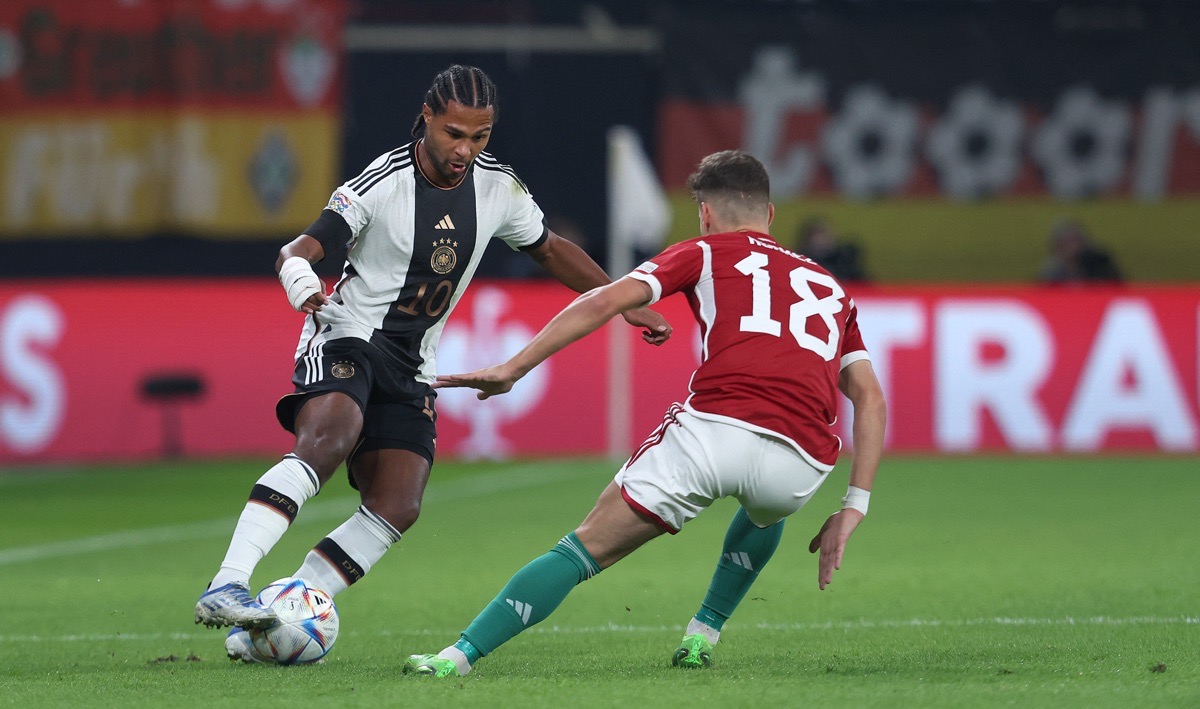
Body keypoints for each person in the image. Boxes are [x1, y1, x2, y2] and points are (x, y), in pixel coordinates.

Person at [192, 64, 672, 663]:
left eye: (480, 137)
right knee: (330, 439)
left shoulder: (498, 188)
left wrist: (623, 299)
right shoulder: (381, 181)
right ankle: (227, 583)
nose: (464, 150)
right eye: (453, 134)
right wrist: (298, 278)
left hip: (413, 363)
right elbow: (301, 247)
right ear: (426, 119)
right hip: (348, 336)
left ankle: (282, 616)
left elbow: (548, 248)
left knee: (398, 503)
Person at [403, 150, 886, 677]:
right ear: (770, 215)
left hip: (713, 437)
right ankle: (704, 631)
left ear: (704, 212)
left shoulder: (703, 251)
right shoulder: (831, 287)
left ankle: (456, 659)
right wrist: (854, 505)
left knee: (580, 551)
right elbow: (870, 398)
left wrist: (514, 367)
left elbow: (602, 301)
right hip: (798, 466)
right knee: (764, 508)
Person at [1037, 218, 1122, 284]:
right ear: (1058, 247)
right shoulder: (1052, 272)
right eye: (1068, 242)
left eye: (1077, 240)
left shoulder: (1100, 265)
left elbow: (1118, 288)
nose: (1074, 246)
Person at [797, 216, 868, 283]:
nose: (822, 239)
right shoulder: (801, 261)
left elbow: (859, 282)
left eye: (825, 234)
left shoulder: (843, 259)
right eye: (818, 234)